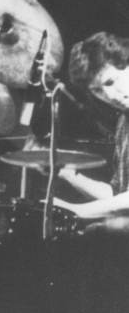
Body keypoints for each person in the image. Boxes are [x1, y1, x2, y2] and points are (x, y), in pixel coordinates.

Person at [52, 31, 129, 233]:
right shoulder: (124, 123)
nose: (110, 95)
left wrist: (76, 211)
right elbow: (118, 194)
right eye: (97, 90)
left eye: (111, 82)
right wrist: (69, 175)